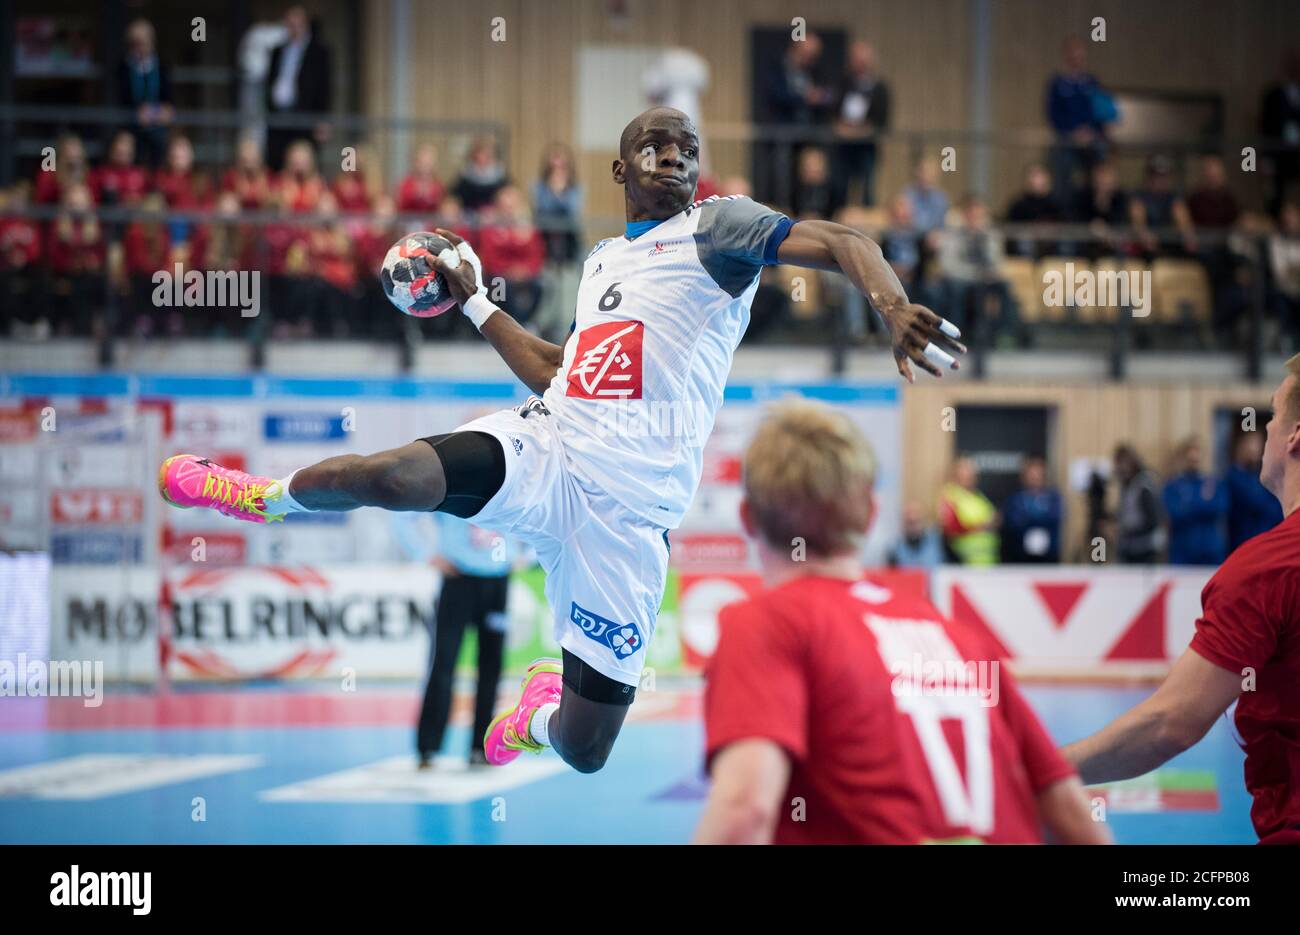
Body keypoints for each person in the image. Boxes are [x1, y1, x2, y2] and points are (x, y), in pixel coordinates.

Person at [156, 106, 965, 774]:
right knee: (397, 476)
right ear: (621, 170)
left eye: (688, 147)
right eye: (655, 143)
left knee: (585, 748)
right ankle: (262, 497)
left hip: (628, 522)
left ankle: (541, 709)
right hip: (551, 452)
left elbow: (844, 242)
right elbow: (557, 370)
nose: (674, 154)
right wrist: (474, 302)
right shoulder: (605, 261)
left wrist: (891, 307)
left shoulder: (719, 230)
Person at [693, 400, 1105, 844]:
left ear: (747, 519)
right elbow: (1074, 815)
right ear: (871, 515)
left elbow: (745, 812)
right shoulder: (960, 640)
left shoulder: (767, 624)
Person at [1064, 357, 1300, 844]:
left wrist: (1042, 768)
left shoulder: (1267, 570)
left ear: (1295, 436)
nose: (1266, 428)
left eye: (1273, 415)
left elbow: (1170, 723)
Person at [390, 512, 516, 769]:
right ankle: (428, 747)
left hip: (498, 580)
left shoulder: (510, 481)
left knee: (492, 666)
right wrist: (424, 554)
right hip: (458, 579)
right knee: (444, 662)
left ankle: (481, 747)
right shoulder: (453, 481)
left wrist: (524, 555)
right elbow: (402, 517)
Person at [264, 5, 332, 171]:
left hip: (305, 117)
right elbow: (270, 82)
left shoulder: (319, 52)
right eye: (290, 23)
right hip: (279, 116)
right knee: (277, 161)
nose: (293, 27)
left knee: (304, 160)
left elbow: (325, 87)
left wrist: (323, 119)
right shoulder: (277, 51)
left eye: (297, 23)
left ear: (305, 24)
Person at [832, 40, 890, 208]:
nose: (860, 64)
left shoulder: (880, 88)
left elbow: (882, 121)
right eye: (856, 60)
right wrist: (843, 129)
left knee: (867, 190)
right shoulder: (843, 83)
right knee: (840, 187)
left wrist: (859, 131)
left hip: (866, 147)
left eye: (863, 60)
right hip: (843, 147)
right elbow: (833, 112)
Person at [116, 19, 173, 168]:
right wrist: (137, 113)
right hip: (131, 124)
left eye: (141, 43)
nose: (137, 48)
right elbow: (120, 100)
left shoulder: (162, 67)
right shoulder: (123, 68)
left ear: (151, 42)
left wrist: (153, 113)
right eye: (133, 43)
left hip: (157, 125)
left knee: (162, 143)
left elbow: (169, 104)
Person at [1162, 438, 1227, 566]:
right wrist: (1204, 503)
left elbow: (1220, 508)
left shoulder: (1213, 483)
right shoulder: (1173, 485)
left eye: (1196, 459)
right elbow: (1175, 513)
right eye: (1190, 459)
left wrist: (1189, 505)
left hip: (1210, 551)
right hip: (1182, 552)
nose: (1193, 462)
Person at [1225, 430, 1282, 554]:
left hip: (1267, 540)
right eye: (1251, 444)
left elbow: (1278, 506)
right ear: (1241, 447)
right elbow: (1255, 501)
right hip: (1242, 541)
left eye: (1258, 444)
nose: (1254, 449)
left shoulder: (1264, 474)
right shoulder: (1233, 475)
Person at [938, 456, 999, 565]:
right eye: (965, 469)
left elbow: (992, 520)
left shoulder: (979, 496)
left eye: (971, 469)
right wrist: (982, 527)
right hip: (964, 562)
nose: (970, 473)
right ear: (955, 472)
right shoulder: (951, 496)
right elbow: (951, 530)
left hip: (988, 562)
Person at [1001, 456, 1062, 564]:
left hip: (1048, 557)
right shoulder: (1015, 499)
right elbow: (1013, 522)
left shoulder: (1053, 497)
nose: (1035, 478)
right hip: (1020, 557)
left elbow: (1054, 519)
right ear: (1024, 476)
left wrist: (1029, 519)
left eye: (1038, 474)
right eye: (1031, 475)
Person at [1112, 444, 1163, 564]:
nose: (1121, 467)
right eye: (1118, 463)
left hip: (1144, 548)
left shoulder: (1143, 486)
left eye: (1124, 462)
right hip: (1129, 546)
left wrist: (1127, 528)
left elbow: (1153, 519)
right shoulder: (1126, 486)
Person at [886, 501, 943, 569]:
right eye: (910, 522)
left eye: (916, 521)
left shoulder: (938, 543)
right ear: (903, 523)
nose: (913, 527)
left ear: (923, 520)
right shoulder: (895, 549)